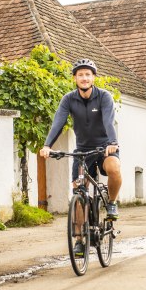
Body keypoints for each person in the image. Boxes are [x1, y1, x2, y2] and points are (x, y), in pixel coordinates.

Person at [40, 58, 121, 256]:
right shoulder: (68, 99)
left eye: (88, 74)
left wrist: (112, 143)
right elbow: (58, 122)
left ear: (93, 77)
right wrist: (47, 145)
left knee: (113, 169)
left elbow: (108, 121)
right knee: (79, 193)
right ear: (75, 78)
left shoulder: (104, 97)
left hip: (105, 148)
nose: (84, 78)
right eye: (80, 75)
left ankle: (111, 202)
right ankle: (79, 240)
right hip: (82, 151)